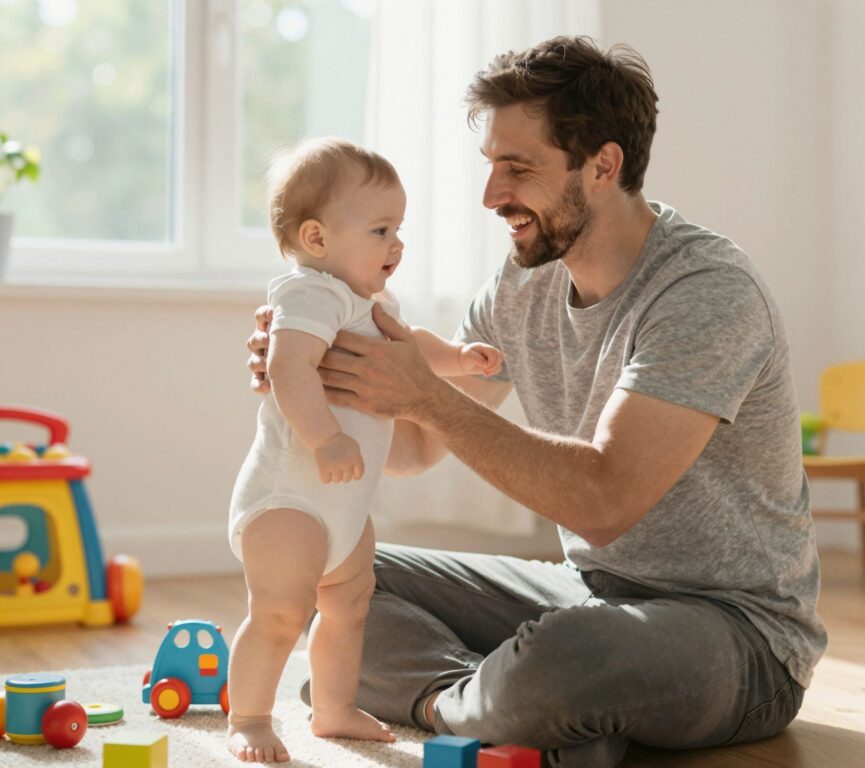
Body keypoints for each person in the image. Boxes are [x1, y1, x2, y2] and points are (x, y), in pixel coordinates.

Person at [247, 36, 827, 768]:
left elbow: (605, 499)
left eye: (517, 169)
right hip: (585, 591)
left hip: (738, 633)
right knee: (340, 575)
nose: (491, 197)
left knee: (572, 655)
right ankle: (523, 711)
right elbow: (418, 448)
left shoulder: (706, 292)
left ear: (603, 166)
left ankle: (509, 700)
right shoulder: (524, 284)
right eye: (490, 166)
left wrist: (425, 391)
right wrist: (329, 387)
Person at [226, 137, 502, 763]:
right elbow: (289, 368)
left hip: (344, 507)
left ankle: (332, 708)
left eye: (399, 228)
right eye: (381, 229)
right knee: (279, 611)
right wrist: (325, 438)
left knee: (350, 605)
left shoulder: (369, 303)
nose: (397, 244)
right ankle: (249, 717)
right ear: (317, 239)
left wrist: (458, 361)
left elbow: (410, 346)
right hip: (288, 500)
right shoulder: (309, 295)